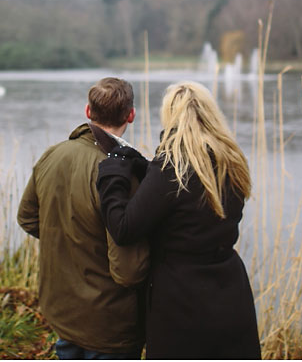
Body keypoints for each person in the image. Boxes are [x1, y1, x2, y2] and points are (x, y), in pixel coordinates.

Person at [96, 81, 261, 359]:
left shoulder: (173, 167)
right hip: (230, 289)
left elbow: (124, 228)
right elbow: (192, 201)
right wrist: (144, 165)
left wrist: (113, 171)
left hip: (182, 299)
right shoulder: (231, 159)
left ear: (171, 116)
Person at [17, 77, 149, 359]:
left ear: (88, 112)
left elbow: (27, 219)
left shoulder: (52, 155)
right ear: (131, 115)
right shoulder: (122, 175)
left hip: (63, 312)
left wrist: (71, 238)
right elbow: (128, 271)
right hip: (108, 325)